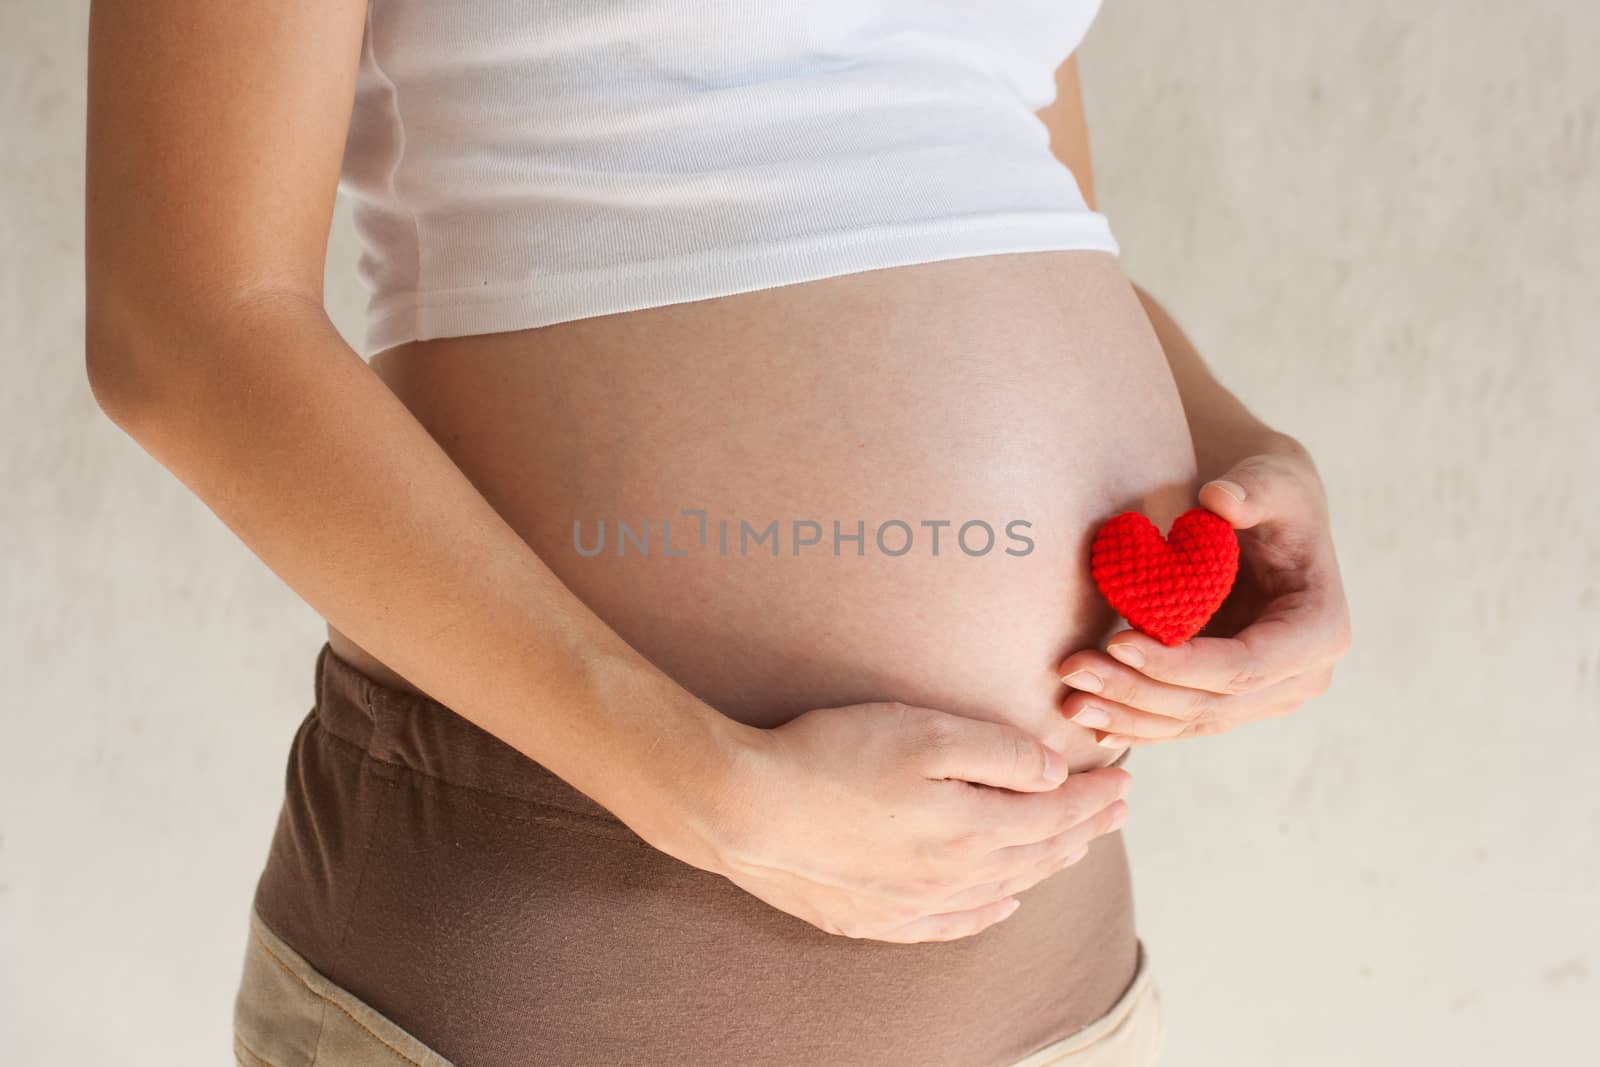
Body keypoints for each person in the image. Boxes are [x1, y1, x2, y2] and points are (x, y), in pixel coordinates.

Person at [84, 0, 1351, 1064]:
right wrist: (709, 791)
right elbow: (186, 331)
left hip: (1053, 996)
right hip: (561, 982)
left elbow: (1013, 190)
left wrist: (1241, 451)